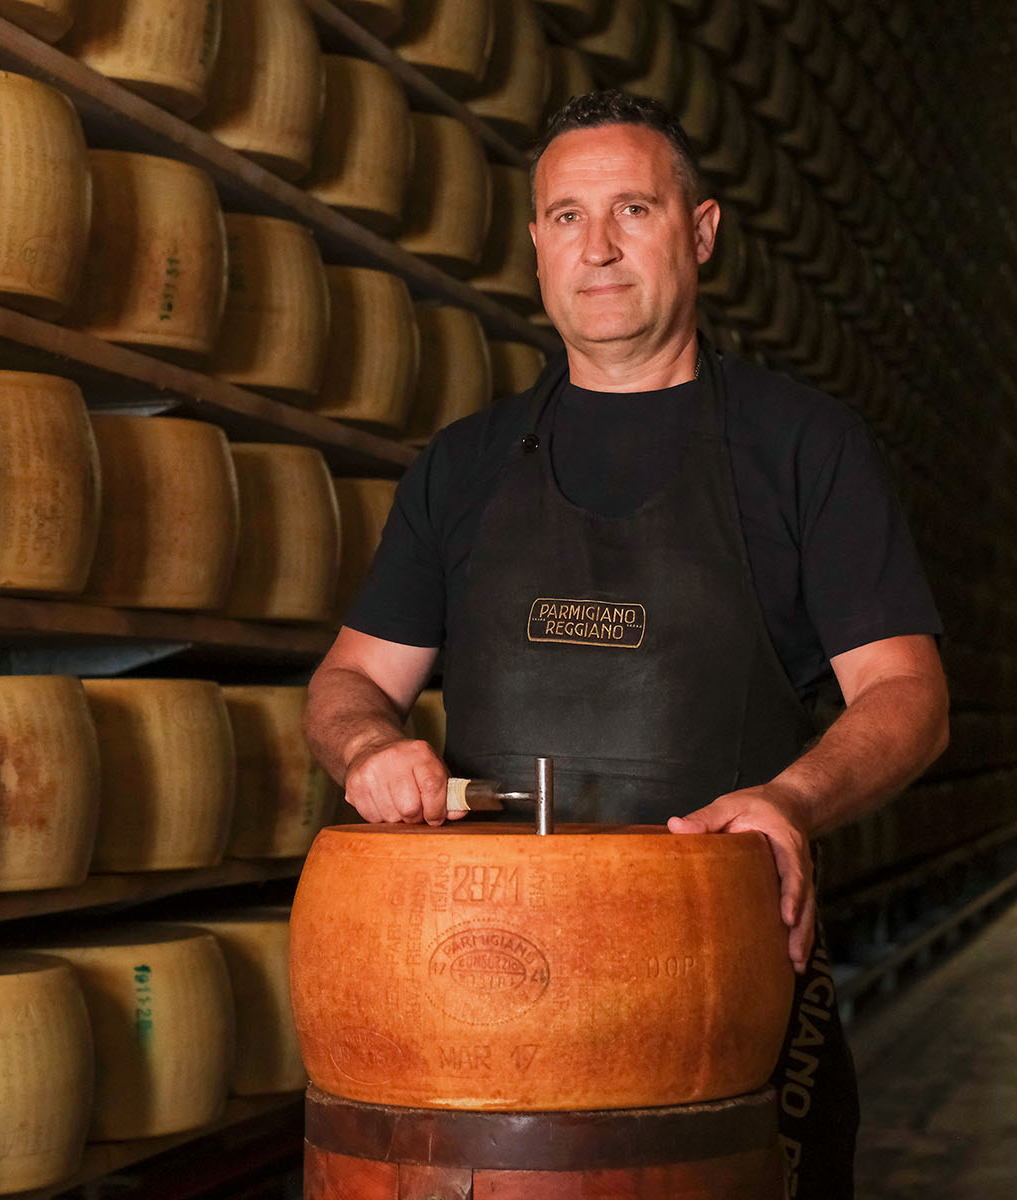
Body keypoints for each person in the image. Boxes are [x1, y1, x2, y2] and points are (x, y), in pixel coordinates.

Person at [303, 89, 950, 1198]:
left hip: (717, 986)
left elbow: (907, 691)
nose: (596, 248)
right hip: (476, 995)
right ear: (536, 246)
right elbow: (354, 677)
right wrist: (367, 747)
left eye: (633, 211)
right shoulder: (464, 465)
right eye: (566, 217)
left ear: (698, 232)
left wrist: (793, 800)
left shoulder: (802, 449)